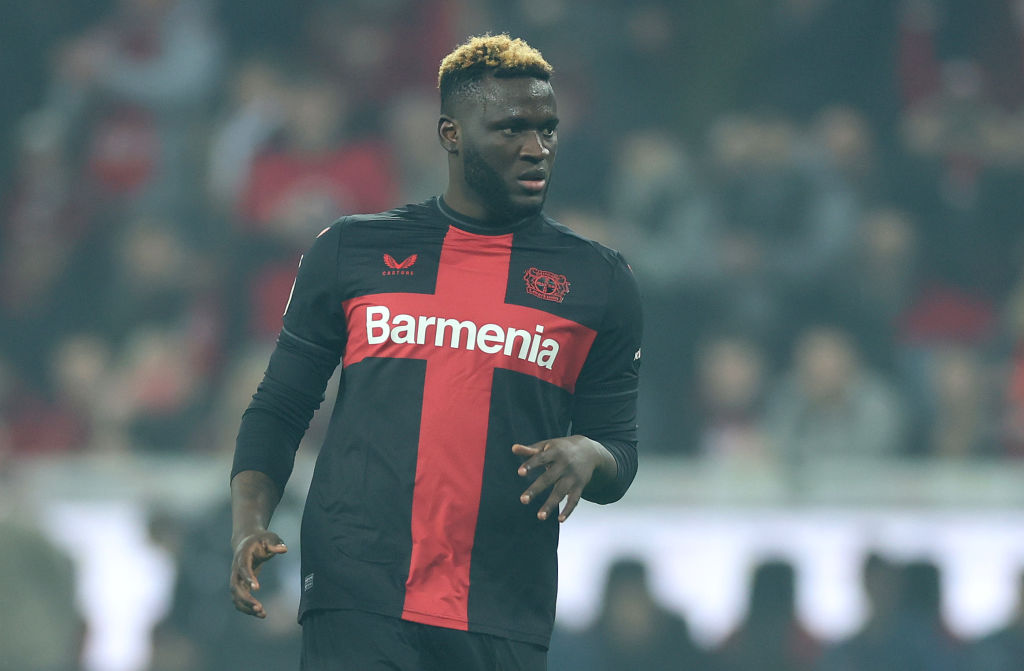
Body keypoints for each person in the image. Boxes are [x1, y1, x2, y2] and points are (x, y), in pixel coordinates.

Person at [227, 34, 642, 670]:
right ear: (451, 133)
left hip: (501, 603)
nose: (536, 148)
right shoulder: (350, 251)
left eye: (547, 129)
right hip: (355, 594)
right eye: (511, 129)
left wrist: (591, 454)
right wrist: (247, 522)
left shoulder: (599, 281)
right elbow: (280, 406)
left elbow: (620, 451)